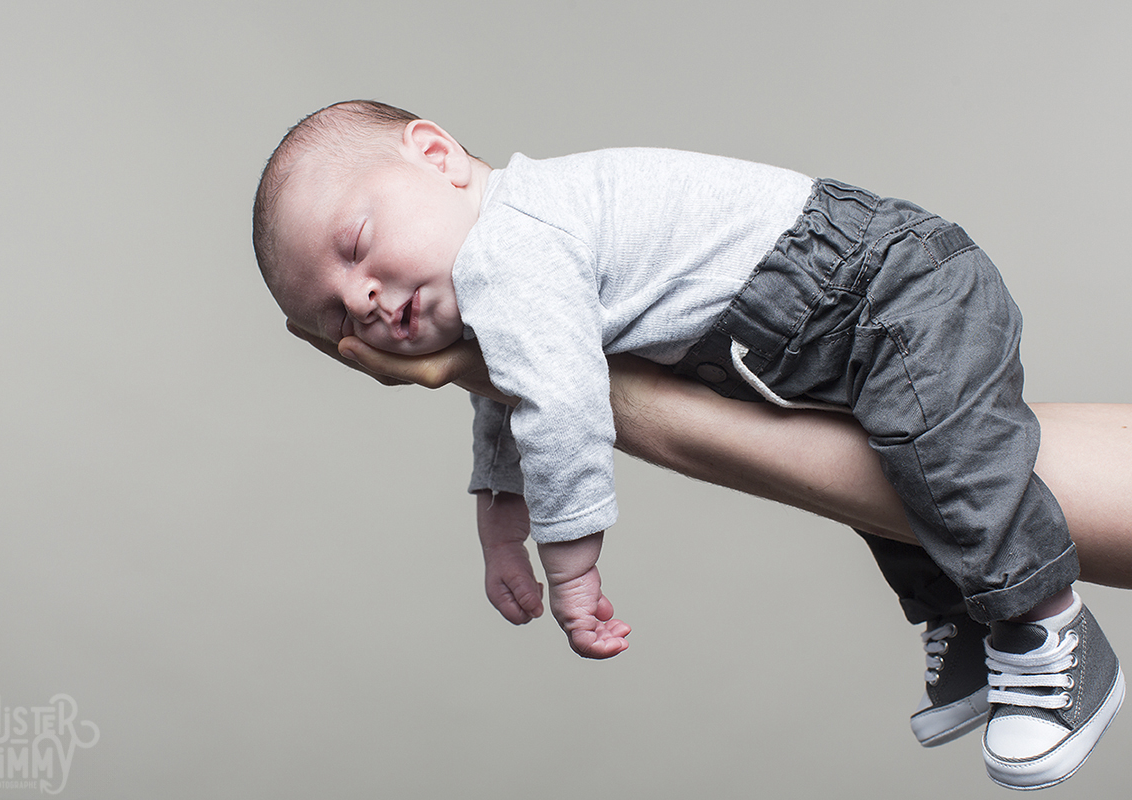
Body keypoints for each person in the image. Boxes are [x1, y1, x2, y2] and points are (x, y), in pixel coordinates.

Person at [253, 100, 1123, 789]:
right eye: (331, 312)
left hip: (888, 286)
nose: (361, 296)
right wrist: (498, 523)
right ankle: (963, 626)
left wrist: (572, 567)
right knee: (898, 473)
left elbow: (559, 408)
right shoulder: (507, 272)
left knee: (940, 456)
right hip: (829, 324)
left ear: (436, 157)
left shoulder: (511, 243)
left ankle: (1045, 629)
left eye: (356, 247)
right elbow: (516, 386)